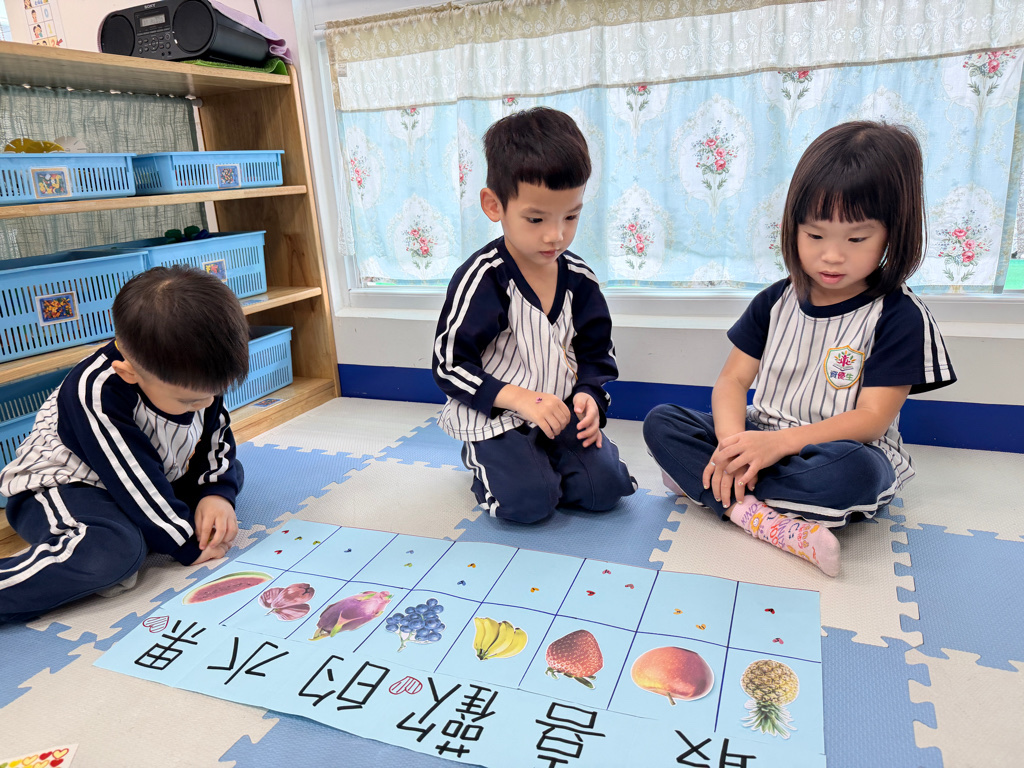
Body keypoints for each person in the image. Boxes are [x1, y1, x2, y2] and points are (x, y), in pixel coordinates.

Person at [644, 121, 956, 577]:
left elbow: (871, 420)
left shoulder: (898, 315)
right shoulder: (775, 300)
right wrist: (732, 448)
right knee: (662, 422)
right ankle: (754, 513)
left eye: (856, 239)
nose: (832, 256)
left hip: (839, 450)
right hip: (759, 433)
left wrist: (779, 445)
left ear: (893, 234)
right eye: (815, 236)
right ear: (793, 228)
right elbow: (732, 381)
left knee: (854, 474)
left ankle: (708, 485)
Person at [0, 265, 250, 622]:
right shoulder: (94, 391)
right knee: (113, 552)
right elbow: (131, 476)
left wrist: (216, 493)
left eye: (215, 393)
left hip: (144, 473)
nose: (208, 404)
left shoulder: (196, 375)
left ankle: (147, 526)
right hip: (63, 485)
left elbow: (216, 436)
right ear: (129, 372)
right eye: (190, 401)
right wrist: (184, 543)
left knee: (228, 471)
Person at [433, 107, 636, 524]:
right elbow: (449, 365)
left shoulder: (579, 279)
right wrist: (521, 399)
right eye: (536, 218)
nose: (555, 235)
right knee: (529, 504)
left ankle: (547, 462)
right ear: (494, 205)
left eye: (571, 216)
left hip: (558, 413)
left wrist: (589, 395)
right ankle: (489, 462)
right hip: (498, 417)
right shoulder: (484, 278)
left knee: (606, 490)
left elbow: (597, 353)